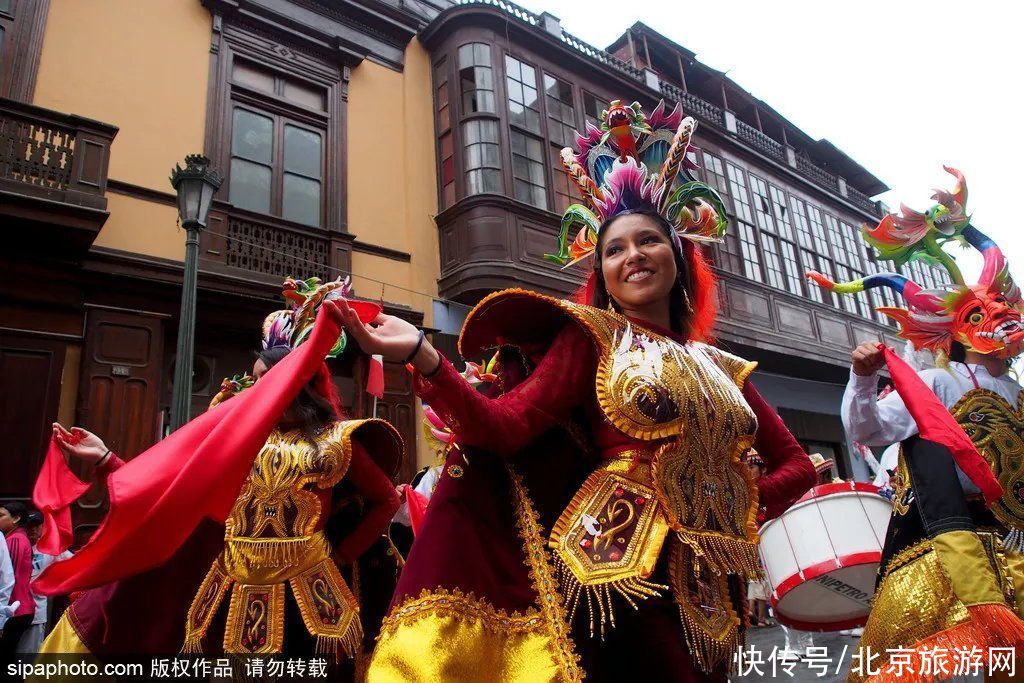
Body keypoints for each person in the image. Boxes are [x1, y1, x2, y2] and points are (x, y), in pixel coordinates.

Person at [352, 100, 815, 681]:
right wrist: (424, 354)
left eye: (648, 240)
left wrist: (732, 504)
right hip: (612, 574)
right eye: (614, 249)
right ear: (601, 272)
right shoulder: (591, 338)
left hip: (710, 579)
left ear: (680, 254)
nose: (633, 256)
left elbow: (798, 466)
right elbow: (505, 427)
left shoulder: (722, 367)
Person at [34, 278, 403, 667]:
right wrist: (107, 458)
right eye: (255, 380)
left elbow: (387, 499)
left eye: (266, 379)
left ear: (296, 383)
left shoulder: (336, 440)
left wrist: (342, 554)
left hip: (308, 598)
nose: (256, 389)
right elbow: (182, 497)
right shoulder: (239, 440)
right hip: (229, 594)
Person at [808, 167, 1024, 681]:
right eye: (980, 314)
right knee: (900, 664)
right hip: (940, 535)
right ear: (956, 330)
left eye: (1007, 306)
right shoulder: (939, 382)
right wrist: (862, 378)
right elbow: (869, 432)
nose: (1003, 317)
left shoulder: (1018, 394)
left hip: (1009, 533)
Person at [16, 511, 72, 654]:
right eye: (29, 526)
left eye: (36, 526)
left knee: (30, 653)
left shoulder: (50, 547)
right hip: (14, 610)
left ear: (43, 526)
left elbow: (74, 563)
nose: (33, 530)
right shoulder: (19, 544)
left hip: (36, 611)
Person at [0, 501, 34, 656]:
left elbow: (8, 578)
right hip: (18, 607)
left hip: (14, 609)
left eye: (1, 516)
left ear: (16, 518)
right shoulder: (17, 537)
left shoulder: (14, 540)